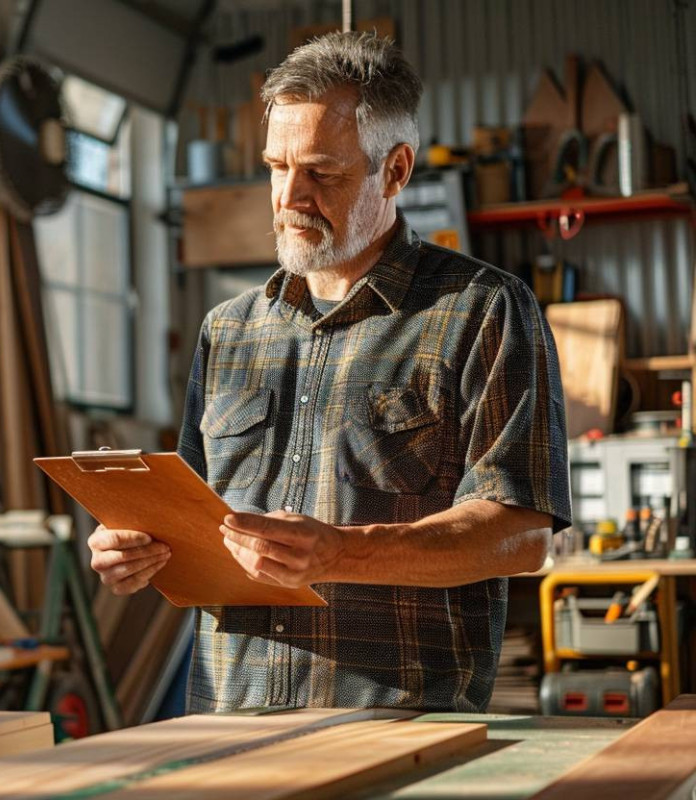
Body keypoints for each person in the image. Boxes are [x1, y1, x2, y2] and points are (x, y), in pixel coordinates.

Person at [88, 31, 570, 713]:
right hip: (231, 723)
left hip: (397, 731)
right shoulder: (228, 330)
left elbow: (521, 534)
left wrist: (342, 553)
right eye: (278, 167)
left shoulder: (482, 312)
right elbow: (191, 516)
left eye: (323, 172)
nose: (290, 196)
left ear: (396, 171)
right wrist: (134, 548)